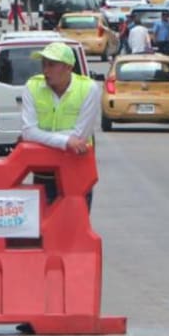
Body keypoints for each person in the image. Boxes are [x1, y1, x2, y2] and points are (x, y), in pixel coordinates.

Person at [20, 41, 100, 210]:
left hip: (76, 168)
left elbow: (80, 137)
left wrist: (42, 137)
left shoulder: (88, 88)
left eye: (51, 65)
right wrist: (66, 142)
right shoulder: (32, 86)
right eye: (43, 64)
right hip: (44, 170)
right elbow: (28, 132)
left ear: (68, 67)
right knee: (43, 230)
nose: (45, 70)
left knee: (75, 227)